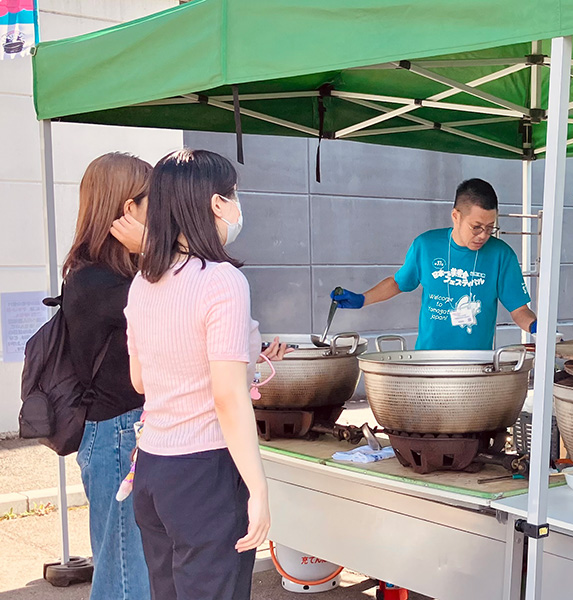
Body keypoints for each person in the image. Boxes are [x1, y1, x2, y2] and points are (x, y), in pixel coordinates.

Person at [125, 149, 288, 600]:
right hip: (206, 471)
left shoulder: (143, 281)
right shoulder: (220, 281)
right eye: (233, 194)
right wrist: (258, 489)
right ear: (217, 203)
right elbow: (228, 397)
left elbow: (140, 380)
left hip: (154, 470)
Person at [61, 152, 152, 600]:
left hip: (125, 431)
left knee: (133, 569)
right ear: (126, 209)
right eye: (152, 197)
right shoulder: (99, 282)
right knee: (124, 576)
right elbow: (171, 299)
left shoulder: (115, 275)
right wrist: (157, 247)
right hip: (118, 434)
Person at [331, 178, 537, 350]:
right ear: (456, 216)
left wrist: (537, 327)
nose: (483, 235)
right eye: (476, 227)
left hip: (476, 364)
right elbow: (398, 283)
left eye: (490, 227)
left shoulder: (501, 255)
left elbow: (519, 310)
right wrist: (362, 299)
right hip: (427, 361)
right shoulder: (426, 245)